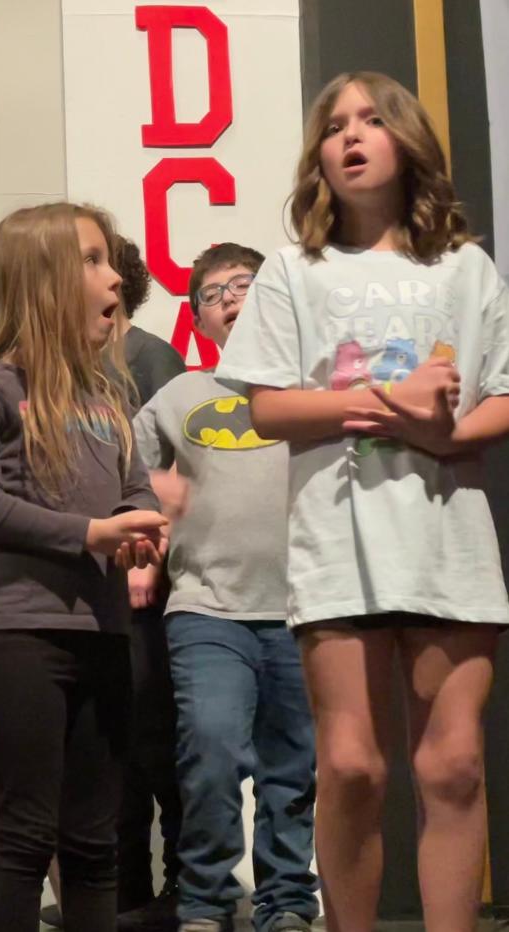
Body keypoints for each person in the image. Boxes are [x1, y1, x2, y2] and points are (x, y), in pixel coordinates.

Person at [215, 71, 509, 932]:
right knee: (351, 768)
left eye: (371, 120)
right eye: (335, 125)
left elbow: (497, 397)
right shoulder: (294, 272)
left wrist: (438, 434)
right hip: (337, 543)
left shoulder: (465, 267)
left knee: (452, 765)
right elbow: (267, 406)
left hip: (447, 538)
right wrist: (398, 402)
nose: (350, 136)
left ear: (406, 140)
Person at [0, 202, 167, 932]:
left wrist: (141, 528)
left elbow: (132, 486)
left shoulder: (106, 395)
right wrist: (94, 532)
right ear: (42, 280)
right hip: (24, 638)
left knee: (94, 836)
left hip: (105, 633)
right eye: (95, 261)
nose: (115, 277)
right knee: (27, 829)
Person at [134, 242, 318, 932]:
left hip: (303, 607)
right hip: (206, 609)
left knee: (291, 769)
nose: (231, 300)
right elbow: (118, 465)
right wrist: (151, 493)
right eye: (214, 294)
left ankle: (288, 900)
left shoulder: (309, 390)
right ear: (199, 319)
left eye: (244, 285)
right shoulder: (180, 395)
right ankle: (206, 900)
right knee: (209, 750)